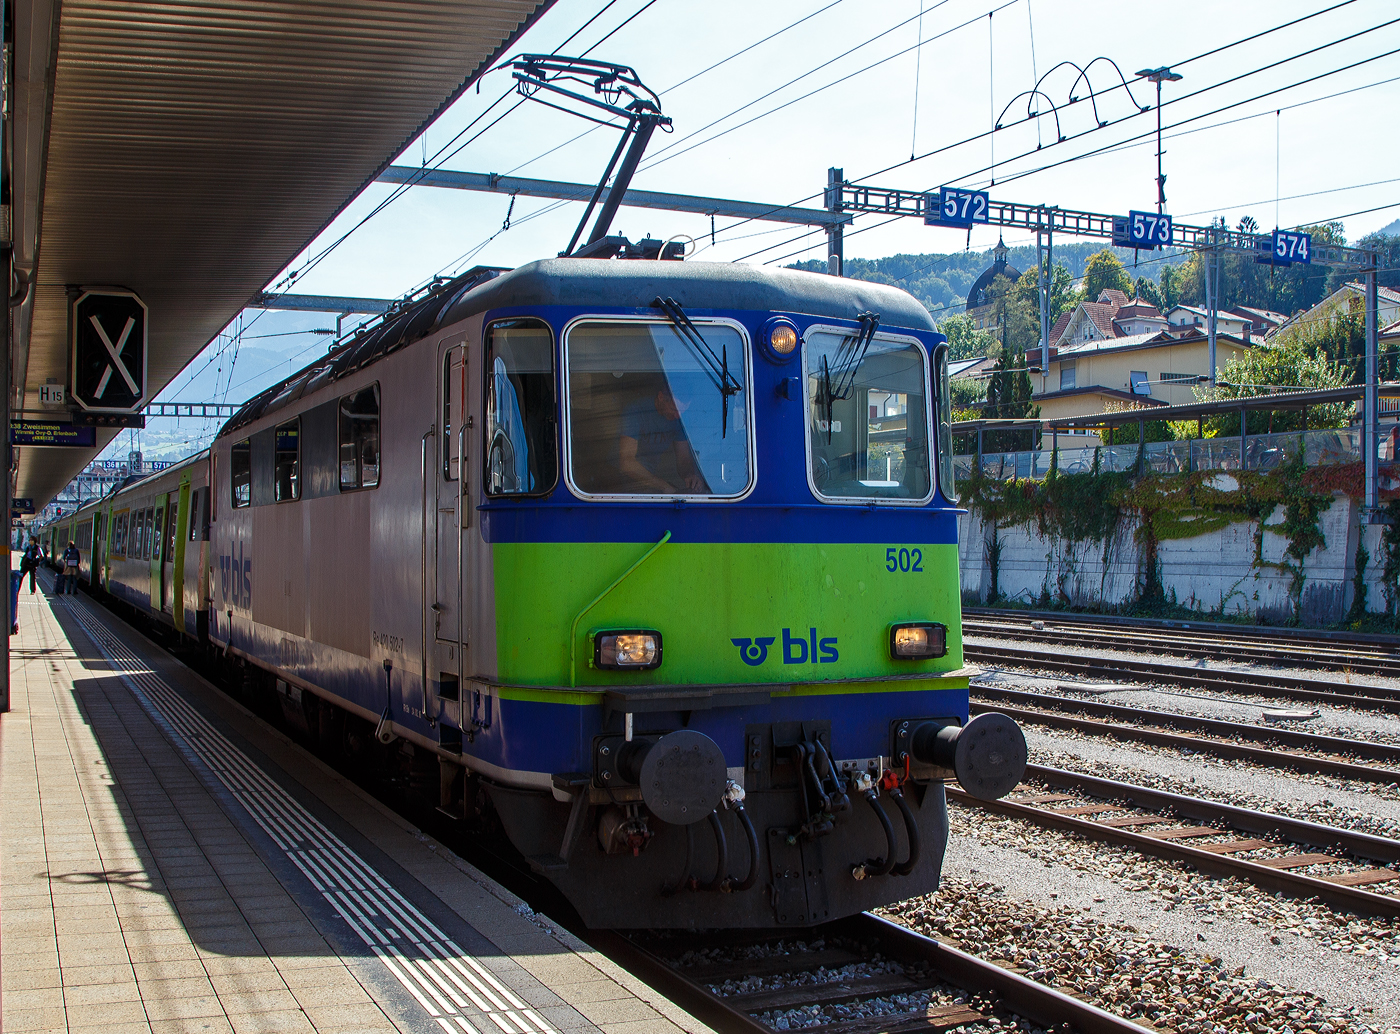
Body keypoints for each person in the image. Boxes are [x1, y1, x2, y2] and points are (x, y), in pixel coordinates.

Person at [618, 384, 709, 494]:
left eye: (682, 412)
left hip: (652, 481)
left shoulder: (680, 419)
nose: (677, 416)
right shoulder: (637, 410)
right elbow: (626, 462)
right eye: (673, 409)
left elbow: (683, 458)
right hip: (618, 482)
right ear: (661, 397)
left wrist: (689, 475)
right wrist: (663, 486)